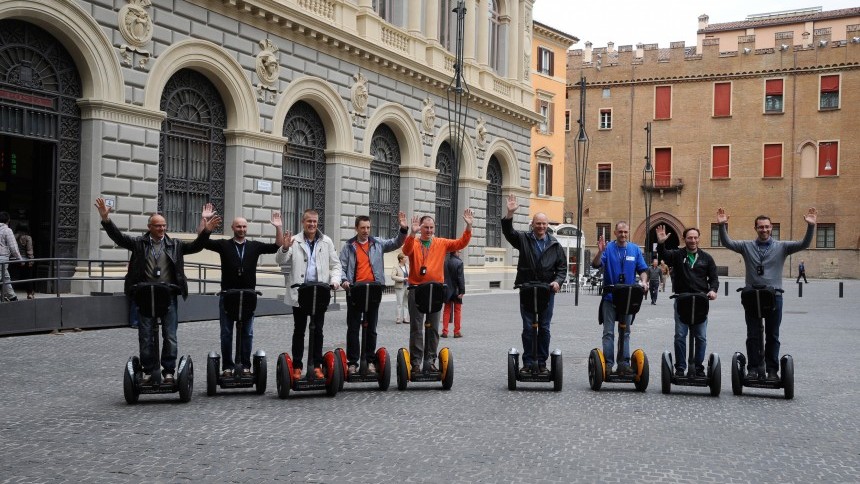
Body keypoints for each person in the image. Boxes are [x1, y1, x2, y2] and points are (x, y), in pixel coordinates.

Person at [95, 197, 221, 384]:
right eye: (158, 226)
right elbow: (119, 238)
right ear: (149, 227)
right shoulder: (139, 244)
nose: (162, 229)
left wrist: (206, 232)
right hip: (145, 295)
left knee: (170, 335)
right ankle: (148, 370)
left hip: (167, 295)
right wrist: (106, 220)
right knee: (145, 334)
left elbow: (196, 246)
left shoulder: (175, 245)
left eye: (164, 226)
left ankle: (168, 371)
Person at [717, 207, 817, 381]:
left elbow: (804, 244)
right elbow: (727, 243)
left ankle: (772, 370)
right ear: (755, 228)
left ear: (772, 228)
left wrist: (811, 226)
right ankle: (753, 368)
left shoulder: (782, 247)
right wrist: (722, 225)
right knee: (753, 334)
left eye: (767, 227)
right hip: (752, 297)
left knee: (773, 334)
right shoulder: (746, 246)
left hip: (774, 296)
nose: (764, 230)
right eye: (760, 227)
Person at [203, 211, 284, 377]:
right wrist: (205, 224)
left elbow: (277, 246)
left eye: (244, 226)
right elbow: (202, 242)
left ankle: (246, 366)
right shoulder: (224, 245)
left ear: (247, 228)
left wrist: (278, 227)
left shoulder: (254, 246)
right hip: (228, 295)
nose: (241, 229)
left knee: (247, 332)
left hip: (248, 296)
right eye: (238, 226)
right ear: (232, 227)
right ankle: (227, 367)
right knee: (226, 333)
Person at [401, 209, 473, 373]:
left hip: (435, 290)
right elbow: (405, 251)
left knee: (433, 328)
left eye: (432, 228)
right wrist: (412, 233)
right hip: (416, 289)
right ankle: (416, 363)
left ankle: (430, 360)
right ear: (420, 227)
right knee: (416, 327)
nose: (429, 231)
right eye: (426, 228)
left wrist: (468, 227)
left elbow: (461, 243)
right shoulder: (415, 243)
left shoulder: (441, 243)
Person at [501, 195, 566, 375]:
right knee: (528, 327)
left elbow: (562, 268)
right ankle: (529, 361)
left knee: (544, 327)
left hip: (547, 290)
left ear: (548, 226)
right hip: (527, 289)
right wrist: (510, 213)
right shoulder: (523, 239)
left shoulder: (555, 244)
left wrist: (557, 281)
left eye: (544, 224)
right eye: (538, 223)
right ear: (533, 224)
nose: (541, 226)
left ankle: (542, 362)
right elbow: (508, 233)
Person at [276, 209, 342, 381]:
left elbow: (336, 265)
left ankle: (317, 365)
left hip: (320, 292)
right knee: (299, 330)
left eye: (314, 222)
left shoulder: (326, 241)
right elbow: (280, 261)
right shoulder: (294, 241)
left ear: (317, 223)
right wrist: (284, 248)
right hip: (300, 292)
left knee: (318, 330)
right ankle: (297, 366)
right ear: (302, 222)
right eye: (308, 221)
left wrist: (334, 280)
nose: (312, 224)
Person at [339, 213, 408, 375]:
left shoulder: (377, 243)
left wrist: (403, 229)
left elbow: (396, 242)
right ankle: (353, 362)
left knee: (372, 329)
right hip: (355, 291)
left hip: (373, 291)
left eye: (368, 227)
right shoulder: (349, 246)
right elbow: (341, 267)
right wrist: (344, 280)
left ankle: (370, 360)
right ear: (356, 228)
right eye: (362, 228)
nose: (365, 231)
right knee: (353, 328)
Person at [656, 225, 719, 377]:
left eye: (695, 237)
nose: (693, 240)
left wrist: (713, 290)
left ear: (699, 238)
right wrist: (661, 243)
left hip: (700, 302)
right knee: (680, 335)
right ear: (684, 239)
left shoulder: (707, 258)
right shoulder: (678, 255)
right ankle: (680, 367)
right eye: (690, 238)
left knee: (701, 337)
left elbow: (714, 279)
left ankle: (698, 367)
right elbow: (663, 254)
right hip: (682, 300)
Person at [591, 221, 649, 375]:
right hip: (610, 296)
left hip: (628, 298)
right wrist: (599, 252)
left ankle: (623, 363)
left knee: (626, 332)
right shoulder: (608, 248)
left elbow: (643, 269)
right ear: (615, 233)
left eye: (625, 232)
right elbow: (596, 264)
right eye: (620, 232)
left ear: (628, 233)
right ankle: (608, 364)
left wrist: (643, 281)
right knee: (608, 332)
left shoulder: (634, 249)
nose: (623, 235)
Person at [442, 249, 465, 338]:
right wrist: (462, 291)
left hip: (447, 289)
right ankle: (456, 331)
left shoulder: (446, 262)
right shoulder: (459, 262)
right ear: (455, 252)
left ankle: (445, 331)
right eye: (459, 252)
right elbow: (460, 278)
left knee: (446, 311)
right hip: (456, 290)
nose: (459, 253)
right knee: (457, 311)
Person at [0, 212, 21, 302]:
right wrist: (19, 258)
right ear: (8, 220)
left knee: (5, 277)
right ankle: (11, 296)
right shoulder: (7, 230)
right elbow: (13, 247)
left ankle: (12, 296)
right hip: (2, 257)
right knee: (2, 276)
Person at [13, 223, 35, 300]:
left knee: (13, 277)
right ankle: (29, 293)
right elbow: (29, 250)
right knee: (28, 277)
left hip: (14, 260)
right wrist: (31, 261)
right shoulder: (27, 238)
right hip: (25, 260)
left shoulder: (13, 236)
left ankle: (10, 293)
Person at [390, 253, 410, 324]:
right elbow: (392, 276)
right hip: (399, 287)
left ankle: (405, 318)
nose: (406, 259)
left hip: (407, 287)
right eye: (404, 258)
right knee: (399, 303)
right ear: (401, 259)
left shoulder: (407, 266)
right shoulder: (396, 267)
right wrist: (402, 279)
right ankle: (398, 318)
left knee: (406, 303)